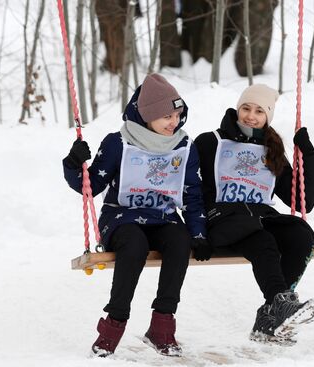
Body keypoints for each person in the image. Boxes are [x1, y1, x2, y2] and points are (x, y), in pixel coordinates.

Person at [62, 74, 209, 357]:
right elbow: (92, 187)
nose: (174, 122)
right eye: (166, 116)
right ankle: (114, 324)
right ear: (147, 116)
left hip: (164, 217)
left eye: (178, 115)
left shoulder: (183, 147)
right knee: (135, 245)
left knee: (180, 240)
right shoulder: (119, 142)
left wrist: (198, 234)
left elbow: (192, 194)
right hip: (122, 218)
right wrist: (74, 163)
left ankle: (162, 326)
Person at [193, 84, 314, 345]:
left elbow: (302, 201)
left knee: (300, 234)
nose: (251, 116)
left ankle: (270, 315)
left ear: (268, 117)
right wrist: (198, 230)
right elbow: (192, 189)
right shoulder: (210, 142)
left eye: (259, 111)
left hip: (259, 218)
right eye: (246, 108)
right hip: (223, 219)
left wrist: (308, 154)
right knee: (262, 240)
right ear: (237, 109)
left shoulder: (271, 148)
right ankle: (282, 306)